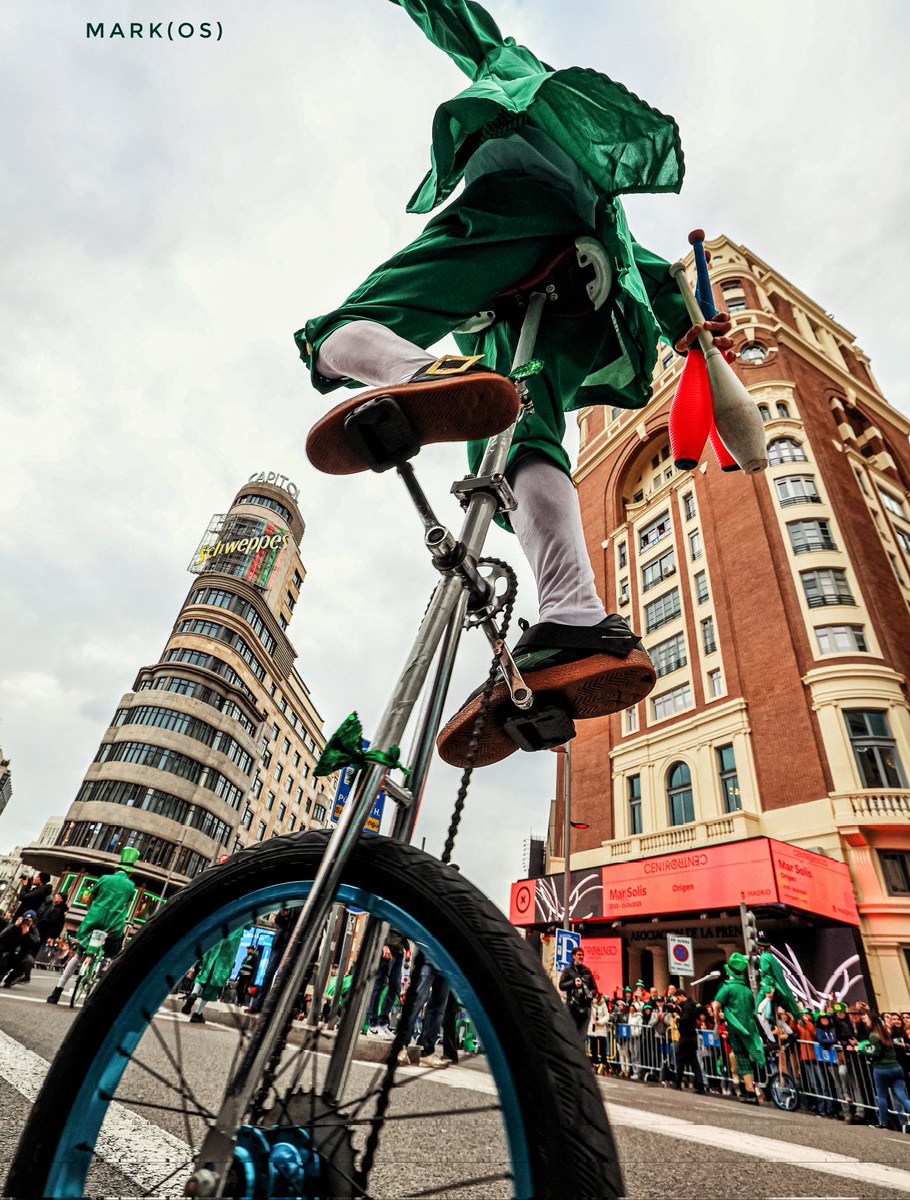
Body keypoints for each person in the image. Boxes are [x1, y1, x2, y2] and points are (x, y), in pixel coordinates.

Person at [295, 0, 733, 768]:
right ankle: (577, 617)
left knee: (334, 333)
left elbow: (465, 26)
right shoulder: (621, 226)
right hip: (591, 296)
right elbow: (673, 297)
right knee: (527, 428)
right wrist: (714, 368)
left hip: (520, 214)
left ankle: (413, 370)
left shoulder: (518, 83)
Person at [47, 847, 139, 1005]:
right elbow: (126, 905)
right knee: (110, 950)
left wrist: (92, 910)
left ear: (116, 869)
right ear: (129, 873)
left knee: (78, 954)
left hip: (94, 919)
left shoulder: (104, 879)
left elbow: (91, 897)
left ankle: (57, 991)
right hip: (114, 924)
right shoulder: (130, 886)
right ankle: (98, 968)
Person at [712, 952, 765, 1104]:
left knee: (741, 1057)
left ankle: (750, 1091)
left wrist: (717, 1018)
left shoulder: (728, 987)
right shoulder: (747, 990)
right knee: (749, 1057)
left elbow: (716, 1004)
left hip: (735, 1026)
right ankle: (752, 1089)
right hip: (749, 1026)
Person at [861, 1012, 910, 1131]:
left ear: (871, 1021)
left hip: (882, 1068)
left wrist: (863, 1050)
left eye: (866, 1019)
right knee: (902, 1096)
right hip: (896, 1067)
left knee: (882, 1096)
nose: (865, 1021)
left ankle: (882, 1122)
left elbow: (875, 1053)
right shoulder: (886, 1033)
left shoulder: (873, 1035)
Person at [364, 926, 410, 1037]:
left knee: (395, 988)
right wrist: (383, 944)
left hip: (399, 949)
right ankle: (372, 1025)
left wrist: (407, 947)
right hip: (388, 946)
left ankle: (383, 1023)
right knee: (379, 984)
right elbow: (384, 918)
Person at [558, 947, 595, 1049]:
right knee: (571, 1035)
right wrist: (573, 983)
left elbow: (595, 989)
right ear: (573, 956)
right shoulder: (567, 970)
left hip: (585, 1007)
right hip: (572, 1007)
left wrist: (590, 994)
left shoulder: (587, 971)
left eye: (582, 955)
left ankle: (580, 1060)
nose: (581, 957)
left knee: (582, 1038)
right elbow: (561, 985)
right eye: (579, 955)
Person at [672, 984, 706, 1095]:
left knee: (680, 1059)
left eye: (677, 998)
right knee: (694, 1061)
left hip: (685, 1035)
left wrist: (678, 1020)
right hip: (692, 1036)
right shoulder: (693, 1004)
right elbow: (700, 1010)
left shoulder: (686, 1006)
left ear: (681, 996)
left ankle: (678, 1083)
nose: (676, 1000)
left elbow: (686, 1018)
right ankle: (700, 1085)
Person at [588, 992, 610, 1072]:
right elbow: (589, 1015)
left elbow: (607, 1016)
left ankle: (604, 1065)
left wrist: (600, 1022)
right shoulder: (591, 1003)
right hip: (592, 1029)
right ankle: (594, 1064)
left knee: (602, 1048)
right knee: (593, 1048)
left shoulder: (603, 1004)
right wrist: (592, 1022)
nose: (595, 997)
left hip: (601, 1028)